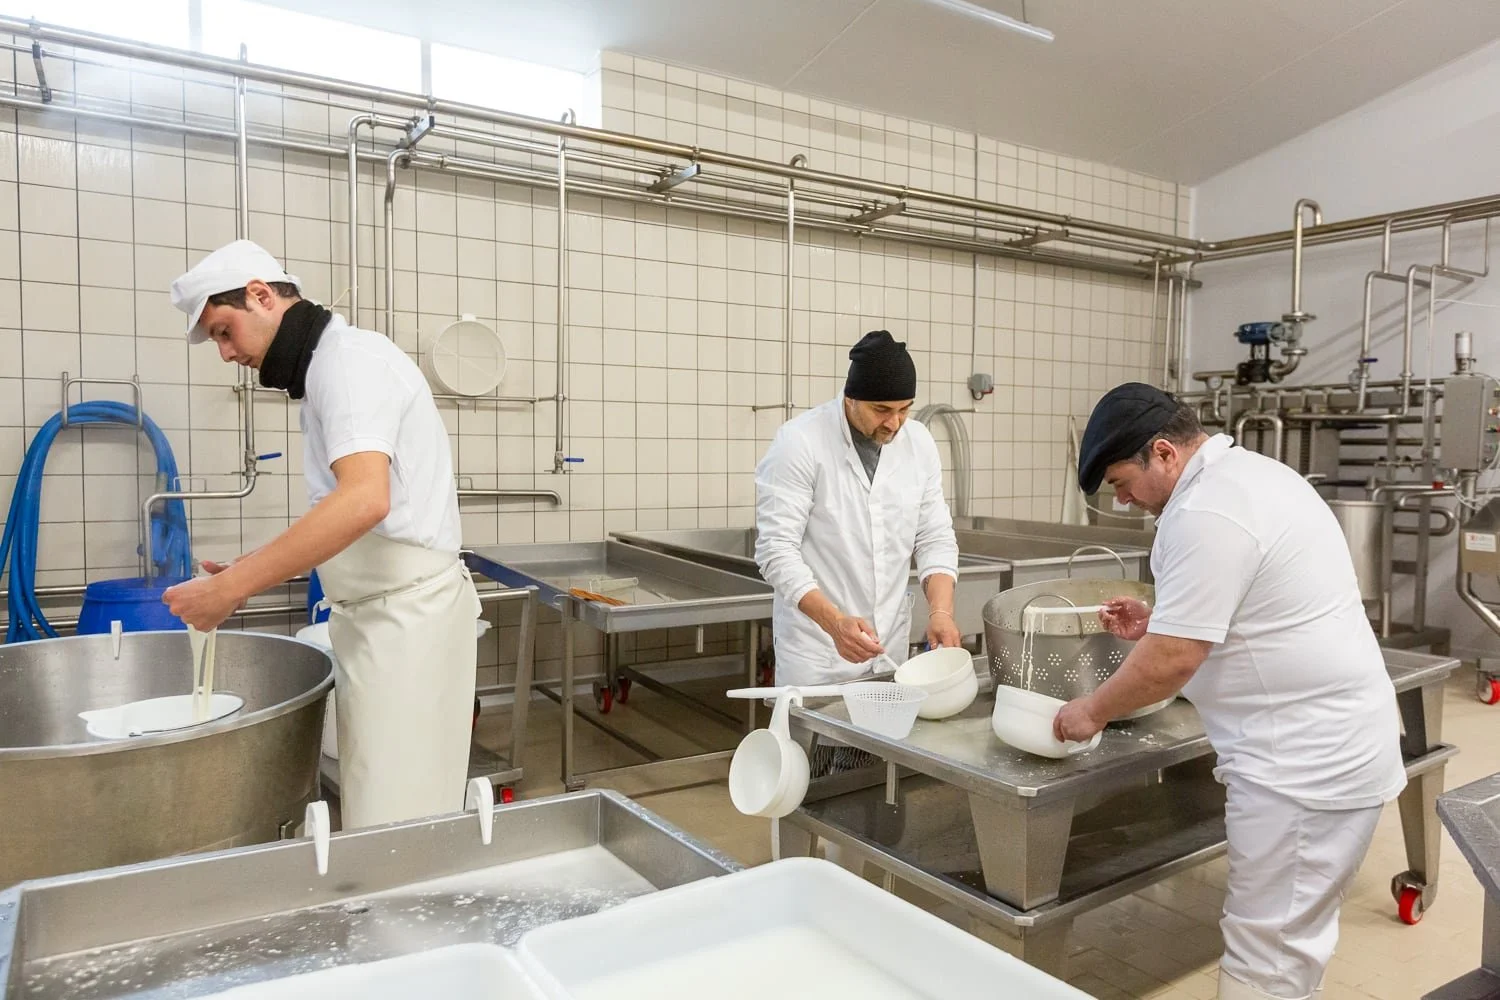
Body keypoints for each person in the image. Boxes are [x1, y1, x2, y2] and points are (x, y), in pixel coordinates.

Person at [1053, 382, 1405, 1000]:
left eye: (1122, 481)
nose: (1126, 500)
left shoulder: (1207, 511)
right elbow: (1230, 613)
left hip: (1303, 766)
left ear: (1162, 452)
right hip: (1322, 746)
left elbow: (1173, 660)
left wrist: (1091, 710)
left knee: (1266, 954)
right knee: (1285, 942)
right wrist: (1155, 620)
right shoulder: (1249, 478)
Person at [162, 239, 482, 830]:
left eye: (225, 331)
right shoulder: (328, 369)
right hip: (379, 619)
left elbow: (364, 500)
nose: (226, 354)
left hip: (407, 626)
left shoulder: (348, 363)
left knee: (399, 813)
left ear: (261, 296)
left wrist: (232, 592)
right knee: (381, 798)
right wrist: (246, 566)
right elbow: (346, 513)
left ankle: (402, 916)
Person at [754, 329, 962, 691]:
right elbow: (776, 551)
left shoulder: (919, 444)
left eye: (904, 409)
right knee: (814, 748)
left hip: (887, 650)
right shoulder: (800, 442)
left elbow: (934, 537)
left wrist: (940, 612)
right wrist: (835, 623)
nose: (894, 423)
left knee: (877, 746)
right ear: (850, 399)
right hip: (818, 654)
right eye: (881, 410)